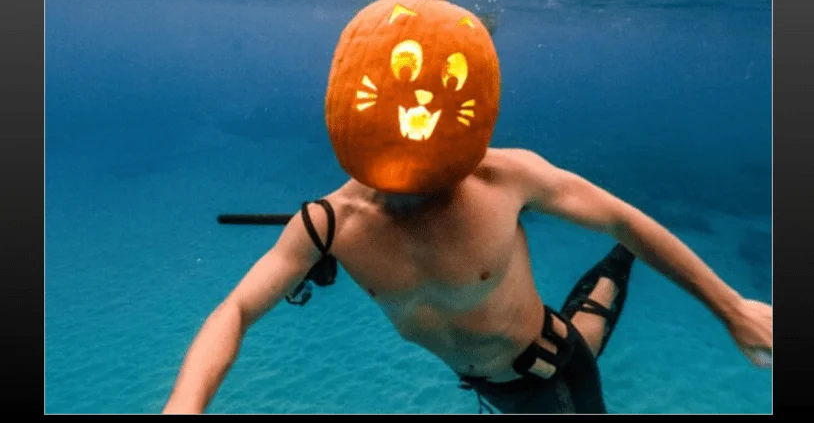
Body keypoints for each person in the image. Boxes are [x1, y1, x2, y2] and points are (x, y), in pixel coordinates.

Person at [162, 147, 773, 414]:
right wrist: (183, 406)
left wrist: (731, 309)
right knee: (584, 328)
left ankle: (620, 262)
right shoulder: (328, 225)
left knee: (579, 348)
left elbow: (621, 215)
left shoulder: (500, 178)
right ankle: (617, 265)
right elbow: (235, 311)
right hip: (493, 378)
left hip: (548, 375)